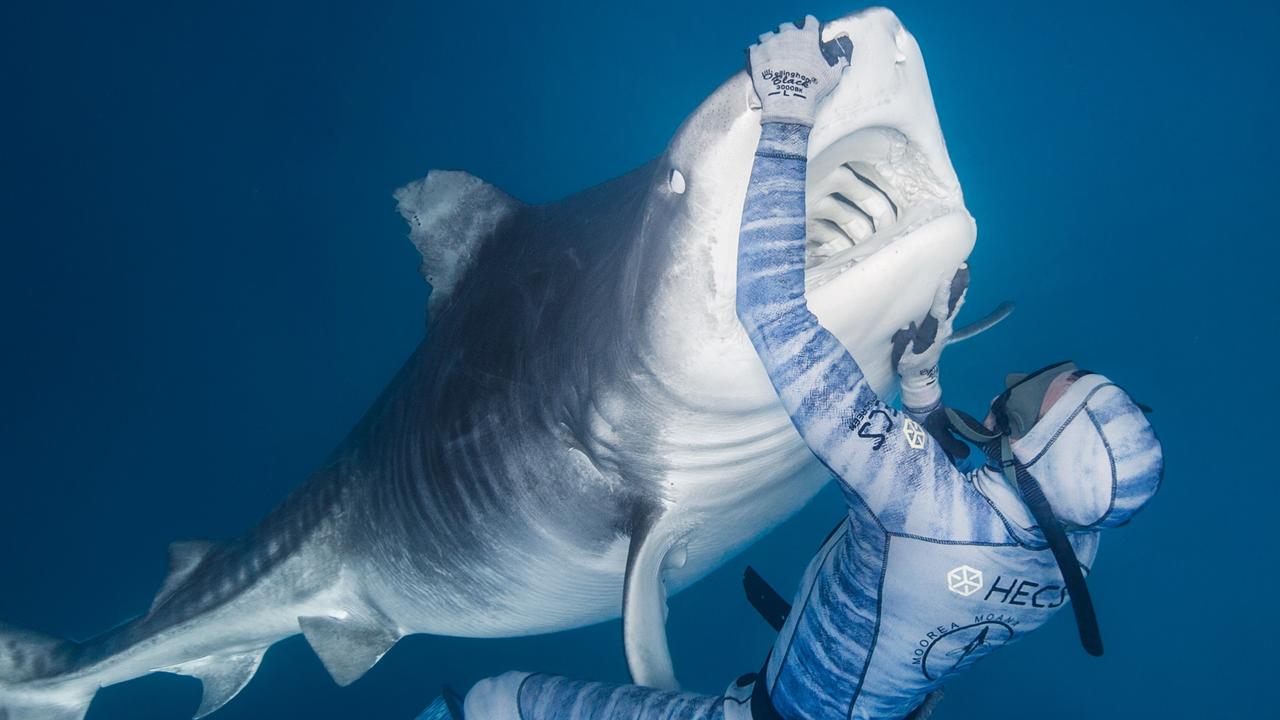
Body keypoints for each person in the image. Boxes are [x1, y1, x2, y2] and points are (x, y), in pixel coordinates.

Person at [419, 16, 1163, 720]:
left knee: (496, 701)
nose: (1010, 388)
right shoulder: (1069, 563)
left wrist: (787, 118)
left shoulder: (917, 507)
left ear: (1039, 452)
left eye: (1032, 400)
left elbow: (773, 316)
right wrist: (923, 382)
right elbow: (941, 503)